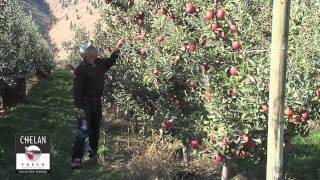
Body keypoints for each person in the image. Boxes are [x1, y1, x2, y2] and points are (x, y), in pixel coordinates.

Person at [71, 39, 124, 168]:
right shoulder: (80, 69)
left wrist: (117, 48)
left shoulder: (100, 63)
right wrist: (79, 107)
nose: (94, 57)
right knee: (83, 130)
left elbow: (111, 61)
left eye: (94, 54)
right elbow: (77, 90)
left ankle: (92, 154)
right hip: (86, 102)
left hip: (97, 101)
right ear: (85, 56)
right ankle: (77, 159)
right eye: (91, 55)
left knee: (95, 130)